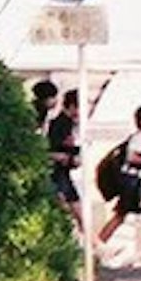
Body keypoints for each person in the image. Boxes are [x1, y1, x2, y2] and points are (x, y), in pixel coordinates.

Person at [97, 105, 141, 266]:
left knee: (120, 216)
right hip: (136, 184)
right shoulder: (139, 138)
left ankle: (99, 245)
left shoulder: (139, 137)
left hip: (131, 184)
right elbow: (131, 157)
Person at [41, 78, 86, 212]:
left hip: (62, 172)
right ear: (72, 106)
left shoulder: (69, 124)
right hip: (56, 173)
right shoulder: (60, 124)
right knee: (67, 207)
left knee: (75, 207)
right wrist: (68, 156)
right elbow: (53, 148)